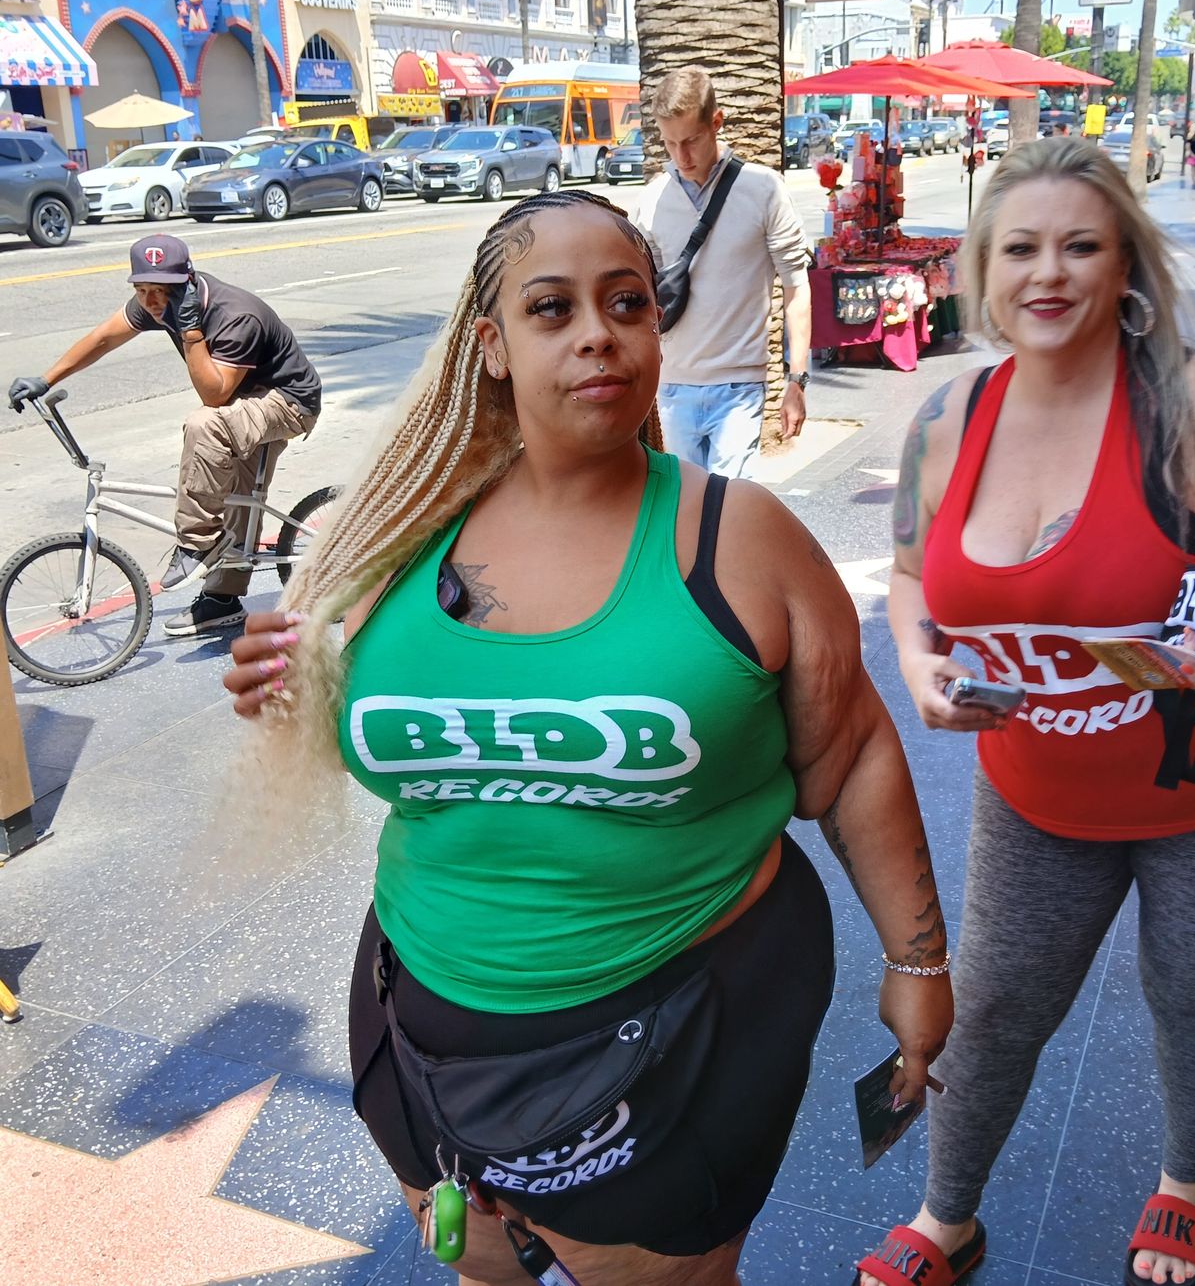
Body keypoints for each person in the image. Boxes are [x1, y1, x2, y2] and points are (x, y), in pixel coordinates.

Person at [222, 190, 953, 1286]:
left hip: (685, 1039)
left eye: (626, 304)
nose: (598, 334)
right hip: (422, 1031)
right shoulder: (385, 540)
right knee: (484, 1272)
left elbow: (849, 760)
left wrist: (917, 960)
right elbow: (398, 757)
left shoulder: (740, 542)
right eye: (551, 308)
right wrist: (283, 698)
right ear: (492, 345)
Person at [857, 137, 1195, 1286]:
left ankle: (1185, 1181)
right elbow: (910, 579)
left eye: (1080, 246)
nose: (1048, 273)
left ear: (1125, 264)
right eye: (1020, 249)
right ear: (981, 270)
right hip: (1038, 789)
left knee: (1194, 997)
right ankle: (945, 1218)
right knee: (994, 1007)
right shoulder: (947, 419)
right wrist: (921, 665)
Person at [8, 233, 319, 637]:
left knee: (204, 425)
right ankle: (221, 600)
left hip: (287, 400)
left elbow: (214, 396)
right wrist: (46, 379)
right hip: (239, 401)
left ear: (187, 284)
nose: (152, 301)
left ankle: (198, 543)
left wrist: (191, 331)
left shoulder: (235, 315)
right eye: (142, 290)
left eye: (161, 291)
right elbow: (104, 337)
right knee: (233, 493)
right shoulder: (154, 303)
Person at [634, 66, 810, 477]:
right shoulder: (653, 200)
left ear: (716, 123)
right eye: (670, 143)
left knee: (725, 503)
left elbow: (796, 287)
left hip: (739, 385)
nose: (681, 157)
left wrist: (797, 380)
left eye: (691, 140)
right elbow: (641, 300)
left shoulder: (763, 189)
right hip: (672, 386)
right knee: (683, 504)